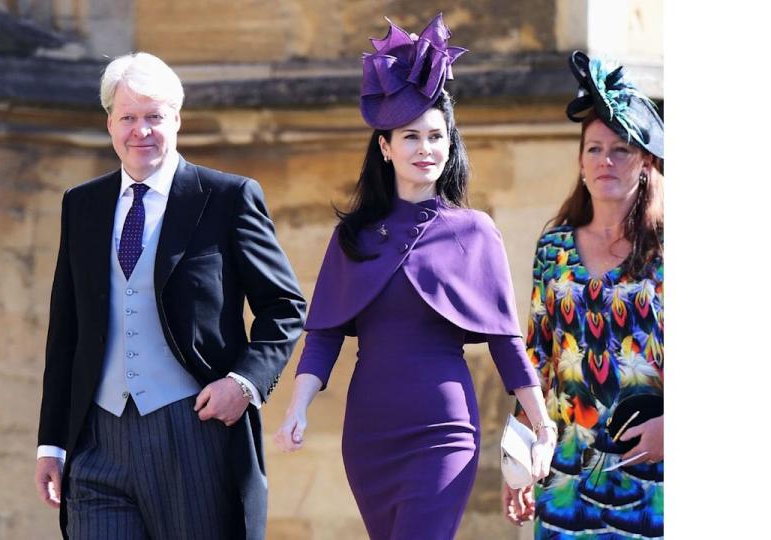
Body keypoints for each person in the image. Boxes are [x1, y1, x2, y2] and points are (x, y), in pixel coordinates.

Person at [273, 14, 556, 539]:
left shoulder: (476, 232)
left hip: (444, 433)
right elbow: (324, 333)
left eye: (436, 136)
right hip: (369, 434)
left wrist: (542, 424)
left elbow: (505, 341)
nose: (425, 148)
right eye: (410, 136)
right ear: (385, 147)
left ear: (450, 144)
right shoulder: (353, 237)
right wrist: (298, 408)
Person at [33, 51, 306, 540]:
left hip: (192, 433)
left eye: (154, 117)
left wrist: (242, 384)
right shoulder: (82, 205)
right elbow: (66, 332)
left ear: (177, 120)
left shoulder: (226, 198)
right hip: (97, 441)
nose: (142, 131)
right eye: (129, 118)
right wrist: (51, 444)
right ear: (110, 124)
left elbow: (284, 307)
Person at [501, 51, 665, 539]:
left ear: (646, 162)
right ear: (580, 161)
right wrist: (518, 454)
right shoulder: (554, 247)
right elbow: (535, 359)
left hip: (657, 471)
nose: (605, 161)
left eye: (620, 150)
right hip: (566, 471)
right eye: (594, 149)